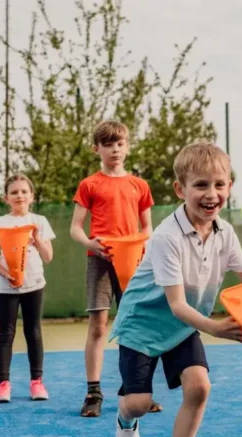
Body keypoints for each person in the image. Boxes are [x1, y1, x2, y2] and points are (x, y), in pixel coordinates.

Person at [109, 141, 242, 437]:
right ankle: (125, 421)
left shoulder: (226, 233)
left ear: (229, 187)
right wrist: (218, 328)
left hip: (183, 327)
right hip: (143, 326)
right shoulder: (166, 237)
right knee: (140, 403)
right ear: (181, 189)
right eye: (201, 185)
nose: (212, 194)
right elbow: (176, 304)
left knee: (199, 388)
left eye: (220, 185)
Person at [70, 120, 163, 417]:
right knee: (98, 327)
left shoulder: (140, 185)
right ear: (97, 148)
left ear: (127, 146)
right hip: (99, 260)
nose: (115, 149)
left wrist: (142, 250)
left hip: (134, 263)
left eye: (120, 144)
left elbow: (148, 228)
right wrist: (90, 242)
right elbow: (75, 228)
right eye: (109, 144)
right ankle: (93, 393)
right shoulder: (89, 184)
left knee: (134, 327)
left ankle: (136, 390)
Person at [0, 174, 56, 403]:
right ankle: (3, 386)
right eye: (14, 192)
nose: (20, 195)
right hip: (6, 288)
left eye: (24, 191)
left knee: (33, 332)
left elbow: (48, 257)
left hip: (34, 285)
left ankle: (37, 383)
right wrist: (7, 275)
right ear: (6, 198)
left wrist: (36, 237)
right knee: (6, 333)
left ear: (31, 196)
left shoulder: (40, 221)